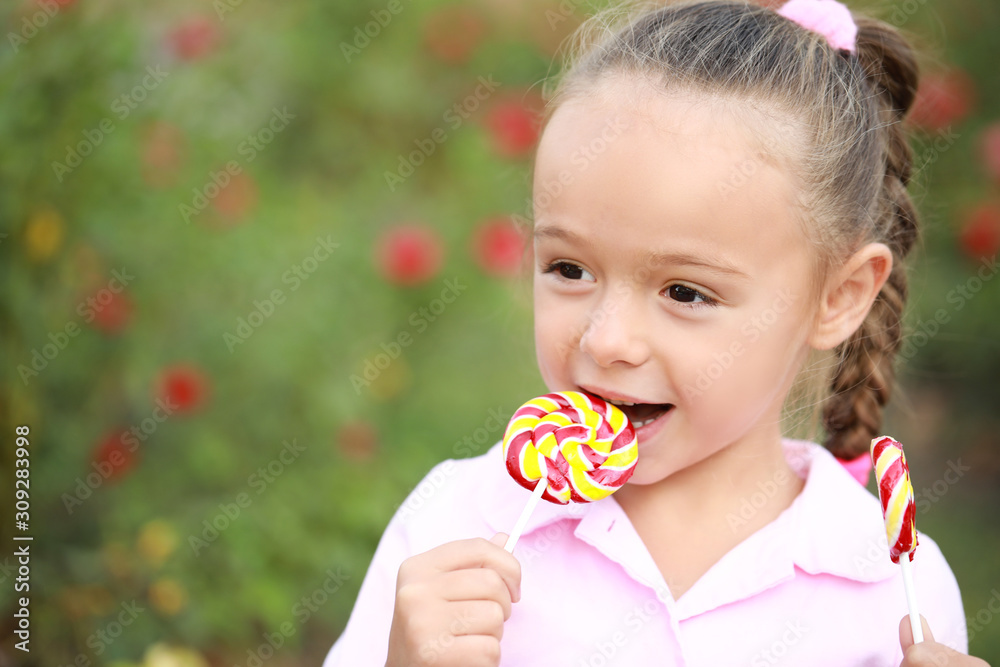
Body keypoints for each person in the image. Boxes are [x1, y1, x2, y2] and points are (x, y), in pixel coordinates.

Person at [325, 0, 989, 664]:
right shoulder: (457, 524)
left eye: (685, 291)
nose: (607, 339)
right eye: (569, 267)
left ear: (837, 298)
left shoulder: (895, 592)